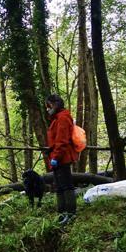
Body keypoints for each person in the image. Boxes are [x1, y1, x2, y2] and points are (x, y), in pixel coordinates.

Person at [45, 94, 79, 225]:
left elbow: (62, 140)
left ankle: (71, 214)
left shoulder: (63, 117)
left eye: (49, 106)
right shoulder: (57, 118)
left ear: (55, 104)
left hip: (62, 157)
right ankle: (61, 213)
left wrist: (56, 157)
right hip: (57, 156)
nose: (48, 109)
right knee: (59, 186)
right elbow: (55, 140)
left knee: (66, 185)